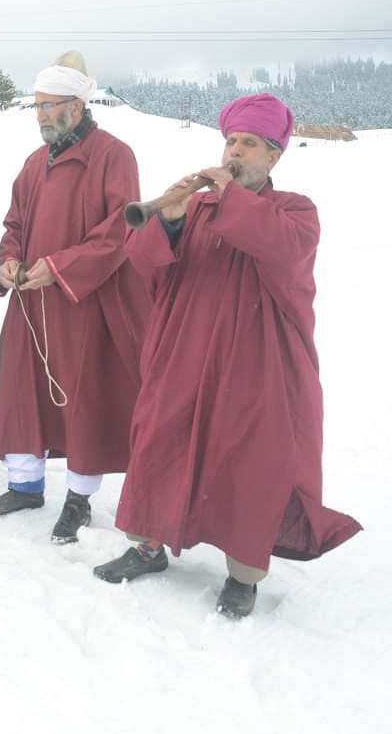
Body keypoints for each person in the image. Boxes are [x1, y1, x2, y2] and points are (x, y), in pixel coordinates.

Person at [93, 93, 362, 618]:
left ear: (274, 156)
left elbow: (279, 248)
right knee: (158, 440)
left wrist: (227, 200)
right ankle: (147, 546)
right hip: (182, 354)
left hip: (256, 363)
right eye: (231, 141)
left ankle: (244, 575)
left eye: (249, 144)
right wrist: (168, 220)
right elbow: (146, 268)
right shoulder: (196, 209)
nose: (235, 151)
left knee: (248, 460)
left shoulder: (295, 210)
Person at [0, 52, 149, 543]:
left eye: (49, 106)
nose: (41, 116)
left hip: (83, 302)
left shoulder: (114, 155)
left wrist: (60, 267)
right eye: (36, 107)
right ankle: (25, 485)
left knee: (82, 396)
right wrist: (9, 259)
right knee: (22, 389)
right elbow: (14, 224)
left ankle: (78, 499)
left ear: (77, 105)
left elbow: (121, 229)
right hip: (30, 301)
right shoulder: (35, 163)